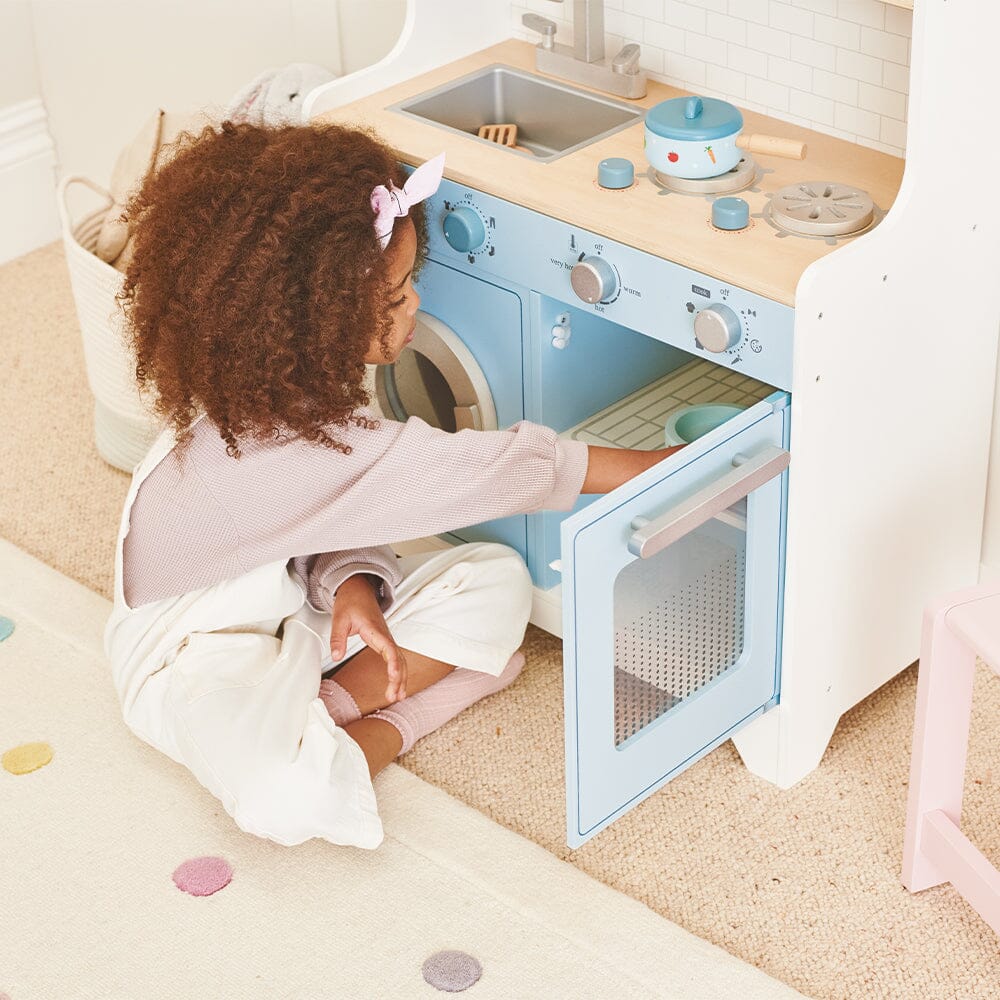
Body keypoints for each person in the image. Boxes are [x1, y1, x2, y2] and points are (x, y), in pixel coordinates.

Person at [105, 120, 684, 850]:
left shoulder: (283, 387)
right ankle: (372, 724)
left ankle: (322, 708)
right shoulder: (273, 449)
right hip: (189, 656)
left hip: (281, 607)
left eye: (410, 284)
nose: (414, 307)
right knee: (285, 798)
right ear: (317, 319)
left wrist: (350, 581)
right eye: (396, 295)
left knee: (500, 578)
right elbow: (487, 469)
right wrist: (655, 466)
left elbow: (312, 523)